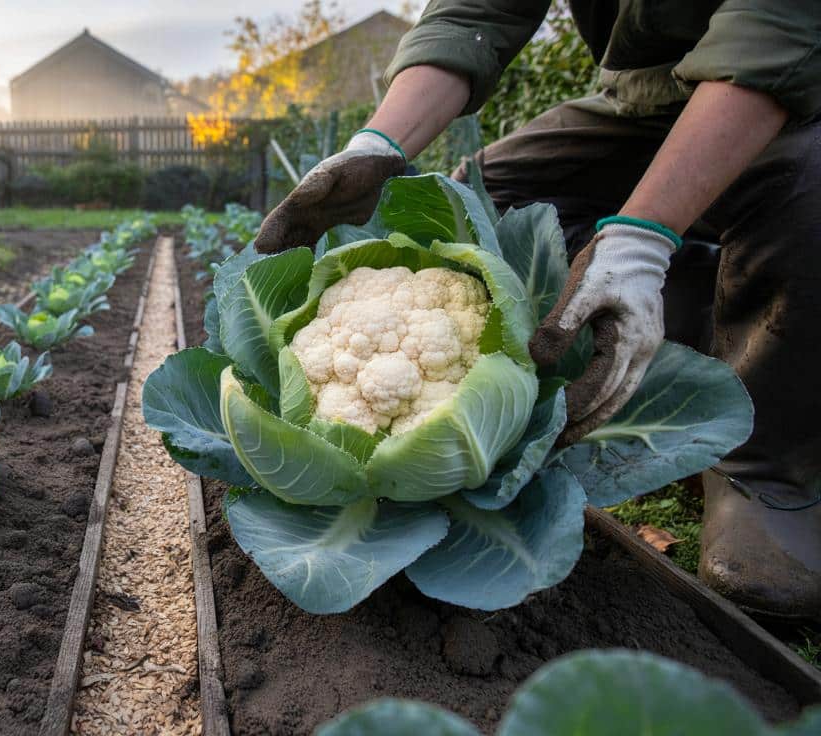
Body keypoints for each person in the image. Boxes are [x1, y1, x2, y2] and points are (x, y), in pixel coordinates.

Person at [253, 1, 820, 619]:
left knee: (807, 185)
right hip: (649, 97)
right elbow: (477, 11)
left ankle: (766, 471)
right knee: (486, 200)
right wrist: (380, 143)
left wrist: (642, 240)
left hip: (795, 92)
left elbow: (776, 28)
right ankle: (675, 330)